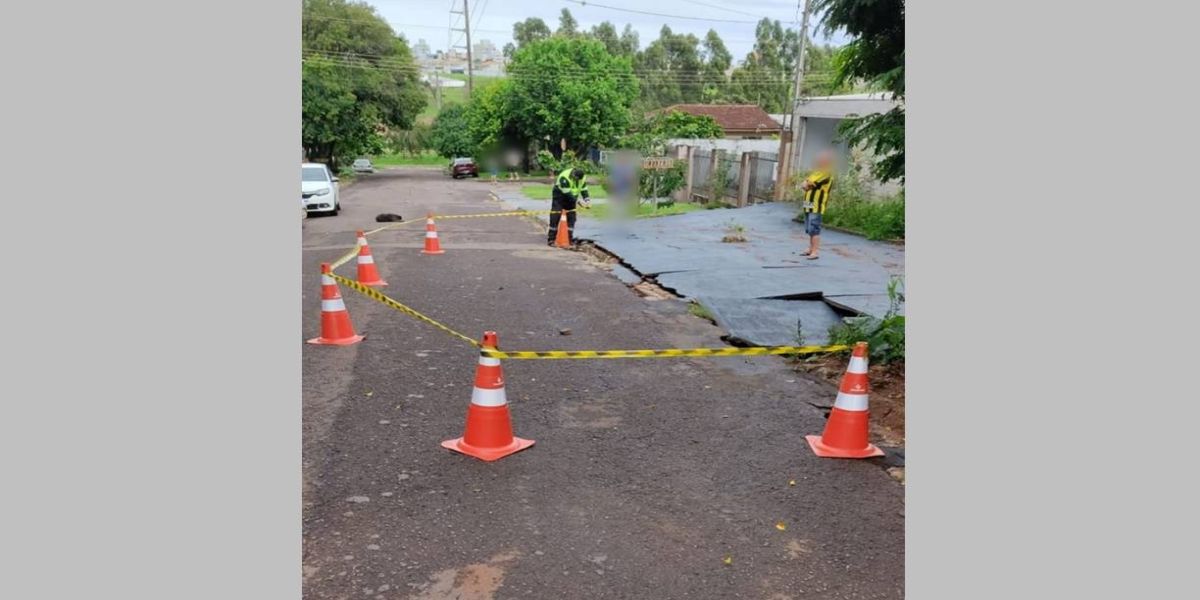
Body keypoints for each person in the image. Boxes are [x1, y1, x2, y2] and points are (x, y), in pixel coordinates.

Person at [799, 151, 835, 260]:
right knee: (809, 229)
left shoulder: (826, 173)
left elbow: (808, 184)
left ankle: (815, 251)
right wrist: (806, 184)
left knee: (814, 228)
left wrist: (807, 184)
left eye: (822, 159)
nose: (819, 161)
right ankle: (810, 249)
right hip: (808, 205)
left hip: (816, 205)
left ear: (827, 161)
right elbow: (805, 183)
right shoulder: (816, 172)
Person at [548, 167, 591, 246]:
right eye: (574, 178)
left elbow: (584, 189)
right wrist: (578, 202)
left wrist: (587, 200)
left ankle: (569, 239)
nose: (575, 179)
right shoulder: (564, 177)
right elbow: (567, 193)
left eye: (577, 179)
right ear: (573, 174)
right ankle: (551, 240)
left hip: (572, 198)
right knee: (555, 216)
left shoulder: (582, 178)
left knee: (572, 217)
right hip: (560, 196)